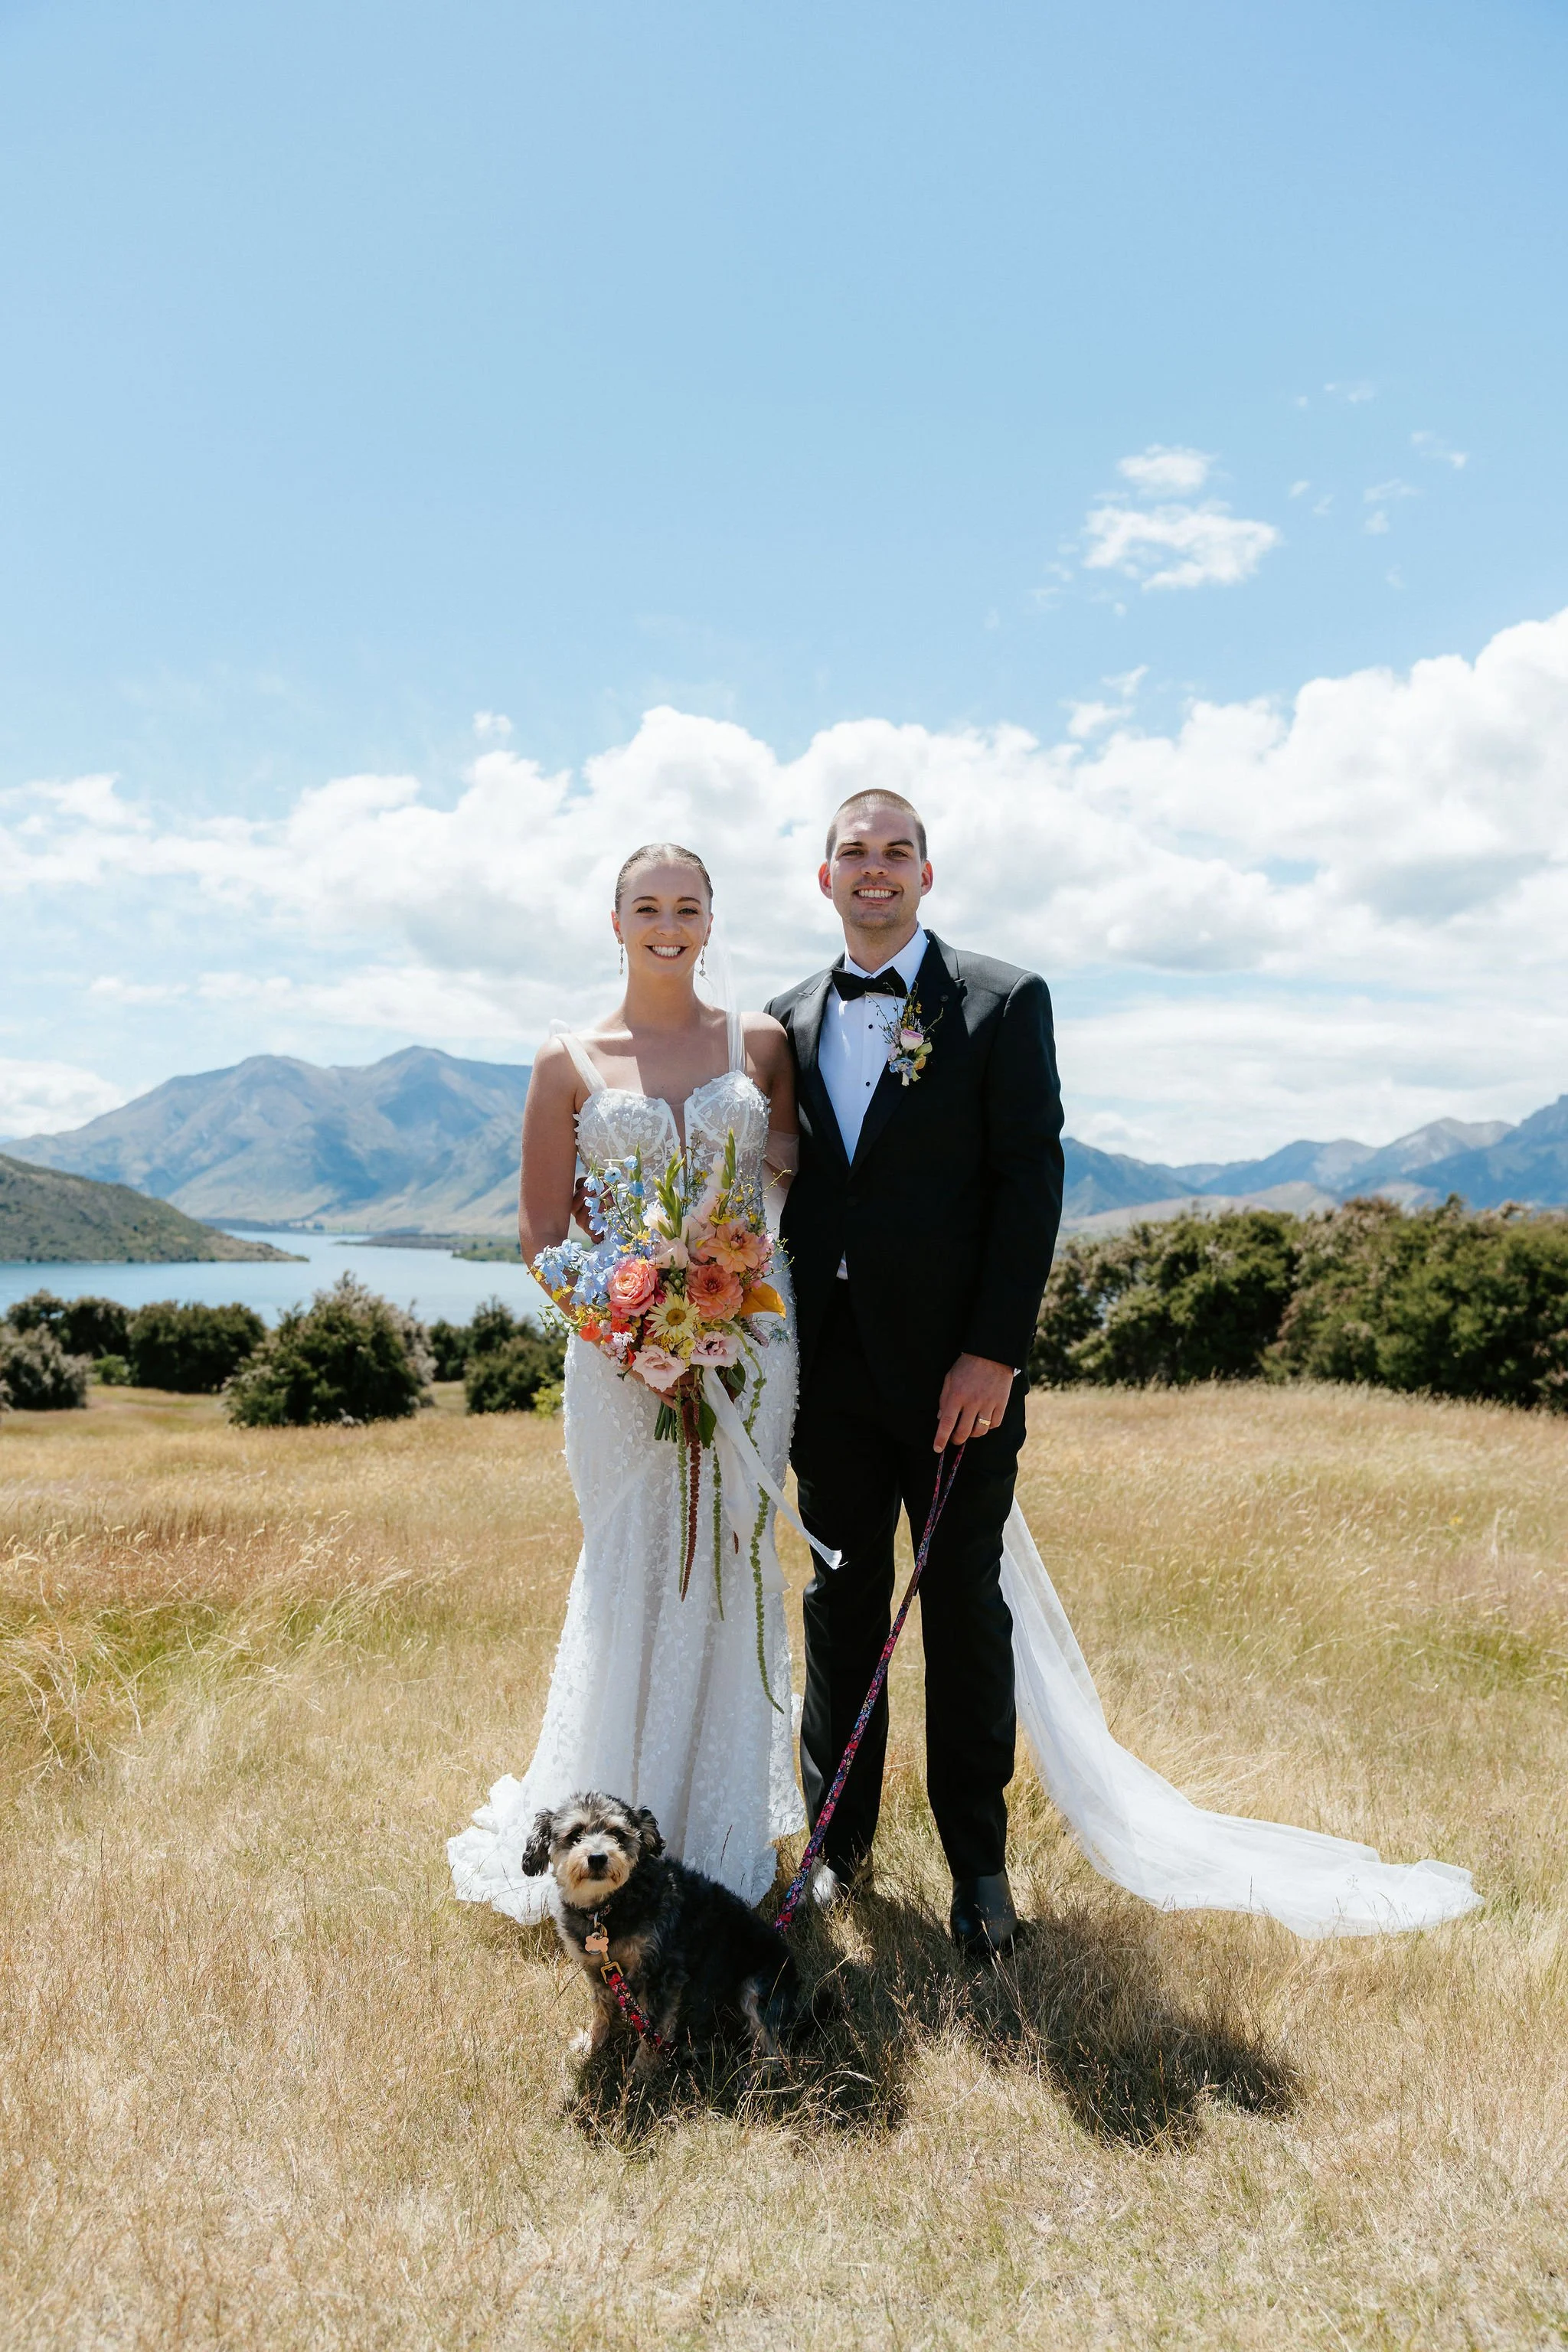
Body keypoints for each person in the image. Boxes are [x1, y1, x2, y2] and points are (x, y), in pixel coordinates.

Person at [768, 789, 1481, 1952]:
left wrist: (993, 1353)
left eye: (898, 851)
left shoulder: (1001, 1001)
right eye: (856, 852)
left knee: (962, 1613)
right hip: (829, 1382)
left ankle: (979, 1873)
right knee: (839, 1612)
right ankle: (838, 1857)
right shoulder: (784, 1018)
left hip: (960, 1382)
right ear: (825, 877)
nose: (877, 869)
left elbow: (1029, 1183)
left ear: (928, 876)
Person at [447, 843, 805, 1925]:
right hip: (616, 1361)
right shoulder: (567, 1059)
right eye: (646, 906)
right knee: (632, 1572)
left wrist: (730, 1289)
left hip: (751, 1349)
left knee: (732, 1570)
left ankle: (720, 1835)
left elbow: (786, 1179)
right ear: (616, 923)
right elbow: (541, 1237)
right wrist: (628, 1331)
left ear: (710, 921)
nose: (667, 923)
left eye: (687, 906)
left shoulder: (764, 1044)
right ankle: (601, 1839)